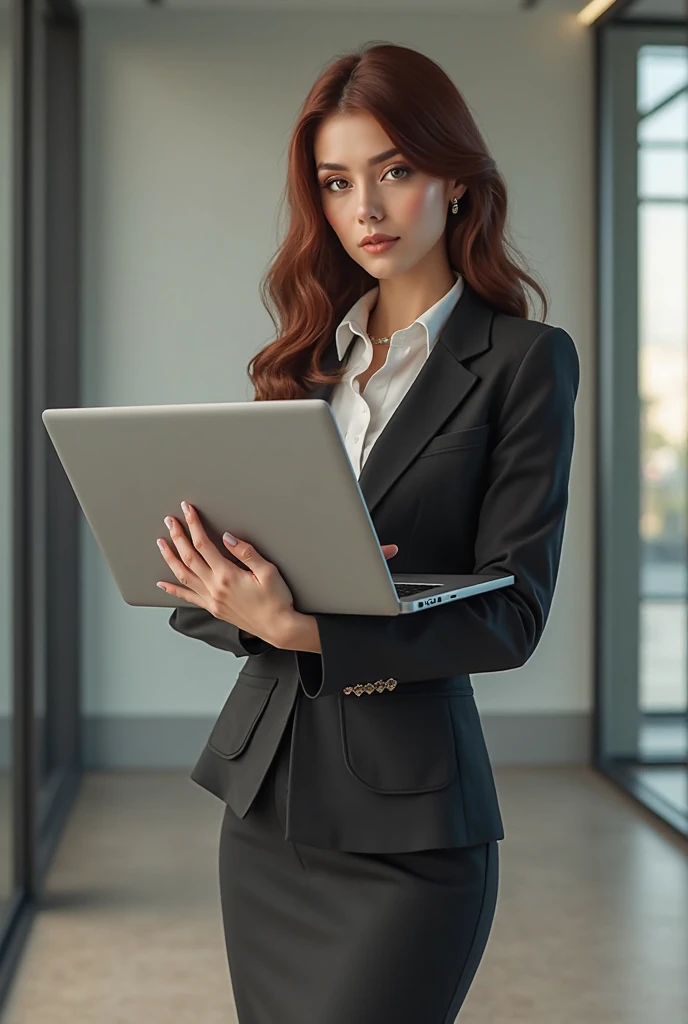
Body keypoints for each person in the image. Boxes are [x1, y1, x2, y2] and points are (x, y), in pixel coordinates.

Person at [160, 41, 580, 1024]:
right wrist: (230, 594)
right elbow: (235, 599)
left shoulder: (523, 363)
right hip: (264, 806)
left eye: (394, 170)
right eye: (337, 181)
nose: (366, 208)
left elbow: (510, 616)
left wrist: (307, 628)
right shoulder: (302, 363)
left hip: (410, 828)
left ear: (457, 181)